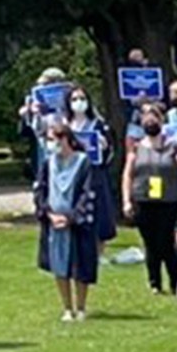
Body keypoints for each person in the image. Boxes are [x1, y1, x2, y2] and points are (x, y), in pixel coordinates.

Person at [123, 102, 177, 294]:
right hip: (143, 201)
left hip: (169, 201)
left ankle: (174, 281)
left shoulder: (174, 147)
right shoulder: (136, 148)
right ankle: (154, 282)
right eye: (146, 116)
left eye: (154, 116)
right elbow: (128, 175)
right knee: (150, 243)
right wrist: (127, 200)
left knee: (167, 243)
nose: (150, 120)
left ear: (162, 120)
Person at [35, 121, 101, 322]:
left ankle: (81, 308)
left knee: (80, 265)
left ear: (66, 139)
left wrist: (71, 217)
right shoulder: (48, 163)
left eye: (53, 139)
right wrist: (49, 214)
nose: (50, 144)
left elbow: (87, 193)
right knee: (59, 265)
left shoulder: (84, 163)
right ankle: (67, 308)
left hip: (77, 223)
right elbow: (40, 190)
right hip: (54, 223)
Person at [63, 84, 119, 246]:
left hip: (94, 172)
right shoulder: (65, 125)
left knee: (99, 210)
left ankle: (100, 249)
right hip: (72, 173)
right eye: (74, 99)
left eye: (82, 98)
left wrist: (104, 146)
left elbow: (109, 152)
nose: (78, 102)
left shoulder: (97, 124)